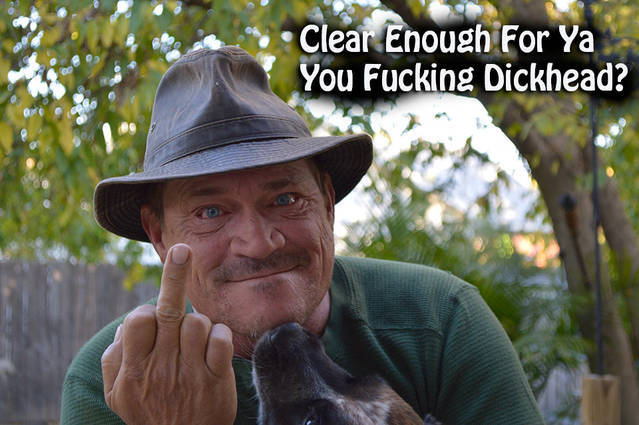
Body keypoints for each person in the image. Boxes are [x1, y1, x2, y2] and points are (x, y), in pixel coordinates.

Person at [61, 46, 544, 425]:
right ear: (160, 235)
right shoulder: (115, 382)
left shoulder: (439, 323)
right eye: (211, 211)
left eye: (285, 198)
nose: (258, 242)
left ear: (328, 204)